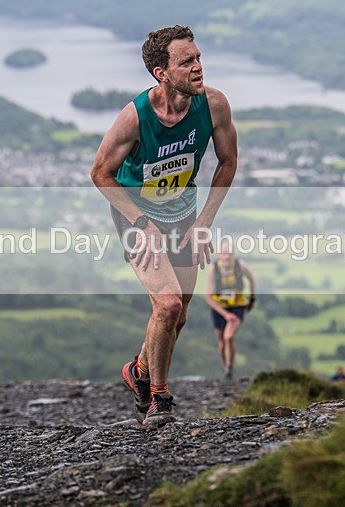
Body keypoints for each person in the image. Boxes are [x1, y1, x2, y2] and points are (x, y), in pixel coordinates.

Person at [90, 25, 238, 426]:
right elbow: (100, 173)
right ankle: (158, 397)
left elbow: (227, 162)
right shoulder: (135, 117)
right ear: (162, 72)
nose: (198, 67)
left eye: (199, 57)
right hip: (136, 214)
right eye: (186, 61)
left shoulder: (214, 106)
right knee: (168, 303)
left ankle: (138, 370)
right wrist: (141, 223)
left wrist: (205, 220)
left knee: (180, 312)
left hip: (183, 213)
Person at [205, 240, 256, 380]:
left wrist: (252, 299)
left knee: (229, 336)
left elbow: (251, 279)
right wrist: (225, 314)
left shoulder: (241, 266)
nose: (227, 257)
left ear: (233, 254)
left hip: (237, 305)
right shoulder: (213, 270)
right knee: (221, 342)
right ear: (219, 255)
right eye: (224, 254)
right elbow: (209, 298)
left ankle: (229, 369)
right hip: (219, 308)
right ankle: (226, 366)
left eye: (229, 254)